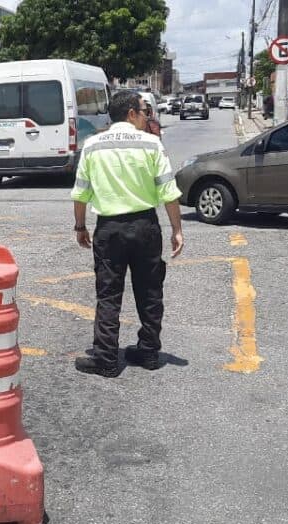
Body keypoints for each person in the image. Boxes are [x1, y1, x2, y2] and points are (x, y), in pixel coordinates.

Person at [71, 90, 185, 378]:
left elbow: (81, 192)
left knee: (108, 294)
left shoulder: (93, 145)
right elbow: (168, 192)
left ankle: (106, 358)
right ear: (131, 113)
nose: (147, 117)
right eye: (144, 111)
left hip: (109, 229)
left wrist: (80, 226)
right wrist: (177, 229)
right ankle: (148, 352)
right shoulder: (151, 145)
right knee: (150, 290)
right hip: (145, 227)